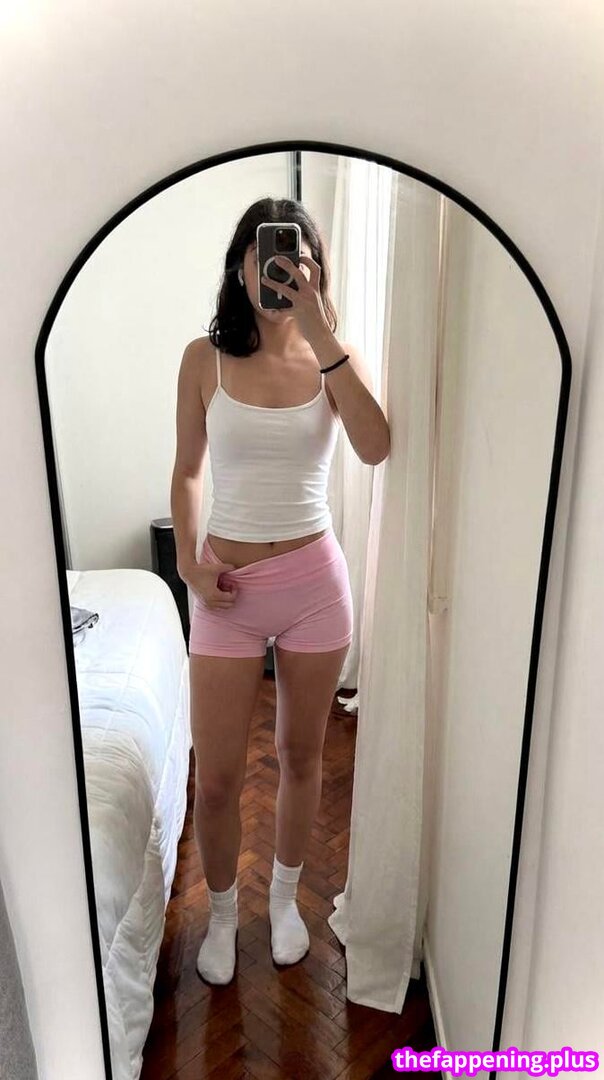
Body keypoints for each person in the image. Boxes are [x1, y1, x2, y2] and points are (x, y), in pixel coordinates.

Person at [170, 196, 390, 985]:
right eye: (265, 257)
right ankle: (225, 916)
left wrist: (323, 336)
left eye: (298, 258)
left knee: (301, 756)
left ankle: (287, 903)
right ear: (241, 267)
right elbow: (187, 471)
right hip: (225, 589)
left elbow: (376, 446)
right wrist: (189, 565)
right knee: (218, 779)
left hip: (313, 586)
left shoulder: (336, 358)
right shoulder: (203, 359)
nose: (280, 271)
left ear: (314, 270)